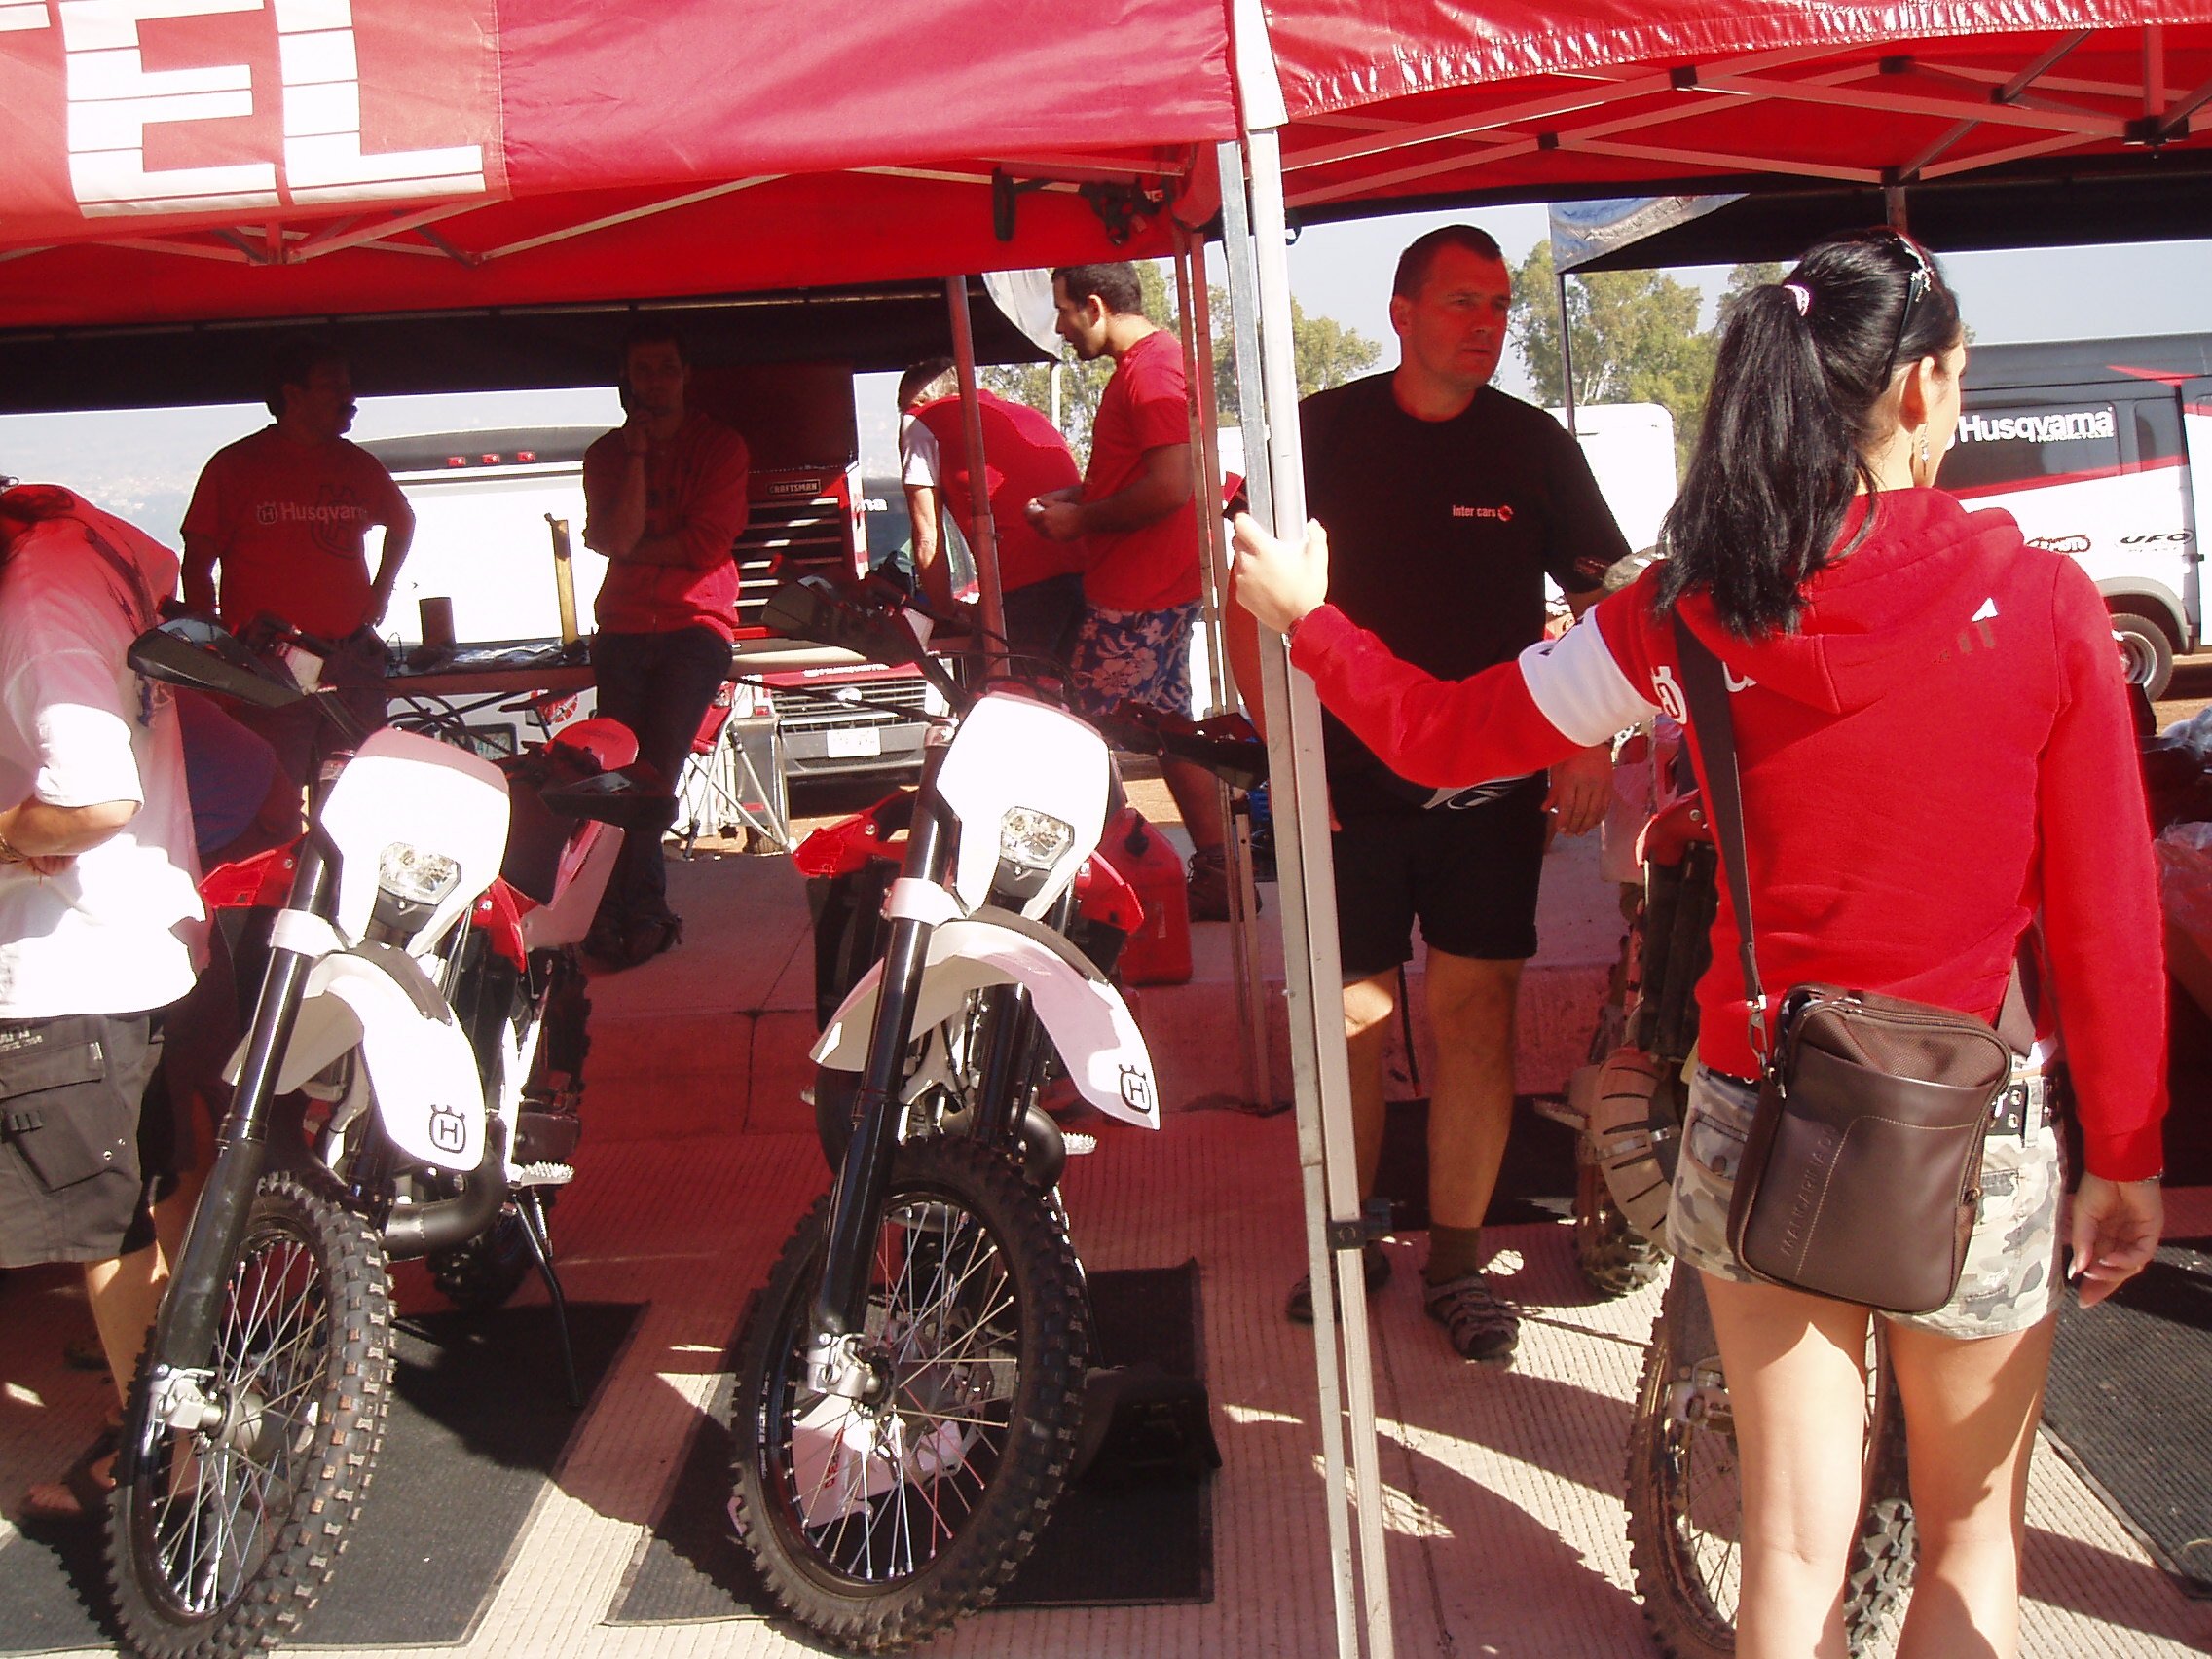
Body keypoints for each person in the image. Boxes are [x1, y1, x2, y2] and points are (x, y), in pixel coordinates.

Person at [1233, 228, 2164, 1659]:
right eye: (1960, 376)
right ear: (1920, 388)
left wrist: (1310, 624)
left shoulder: (1690, 610)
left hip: (1760, 1111)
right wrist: (2130, 1155)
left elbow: (1442, 733)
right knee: (1971, 1542)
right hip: (1972, 1125)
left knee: (1786, 1550)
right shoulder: (2043, 606)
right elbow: (2106, 913)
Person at [1225, 225, 1625, 1363]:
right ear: (1400, 313)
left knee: (1476, 1018)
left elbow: (1606, 601)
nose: (1485, 324)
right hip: (1342, 790)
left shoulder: (1531, 445)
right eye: (1461, 302)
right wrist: (1286, 758)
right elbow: (1241, 595)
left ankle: (1456, 1263)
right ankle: (1348, 1245)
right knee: (1352, 1024)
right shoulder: (1316, 436)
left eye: (1498, 306)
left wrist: (1589, 738)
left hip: (1487, 789)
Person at [0, 483, 204, 1521]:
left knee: (103, 1225)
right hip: (140, 940)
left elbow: (91, 794)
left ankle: (163, 1471)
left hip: (64, 957)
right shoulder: (97, 558)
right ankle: (201, 1411)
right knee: (157, 1188)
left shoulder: (35, 599)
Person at [1028, 263, 1232, 919]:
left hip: (1137, 591)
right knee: (1170, 732)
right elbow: (1156, 477)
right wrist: (1081, 497)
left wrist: (1081, 519)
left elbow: (1171, 486)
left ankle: (1096, 884)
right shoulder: (1156, 364)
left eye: (1064, 312)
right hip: (1154, 585)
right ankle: (1218, 874)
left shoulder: (1150, 371)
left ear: (1094, 306)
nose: (1061, 328)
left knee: (1080, 738)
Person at [580, 318, 751, 969]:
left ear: (686, 376)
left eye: (666, 369)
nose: (654, 382)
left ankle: (634, 910)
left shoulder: (720, 447)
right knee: (619, 778)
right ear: (625, 379)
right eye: (642, 370)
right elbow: (614, 537)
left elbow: (705, 545)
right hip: (624, 628)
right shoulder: (607, 454)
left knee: (655, 774)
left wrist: (630, 547)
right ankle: (625, 911)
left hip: (693, 629)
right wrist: (638, 457)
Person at [181, 335, 411, 786]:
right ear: (293, 394)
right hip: (268, 663)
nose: (348, 398)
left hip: (349, 657)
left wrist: (381, 591)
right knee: (273, 787)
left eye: (348, 387)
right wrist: (214, 650)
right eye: (332, 386)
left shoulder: (358, 464)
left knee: (356, 785)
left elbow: (403, 523)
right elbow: (197, 564)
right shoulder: (237, 466)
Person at [896, 360, 1088, 667]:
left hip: (1023, 585)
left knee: (995, 689)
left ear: (917, 402)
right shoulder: (1027, 415)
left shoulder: (920, 419)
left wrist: (945, 612)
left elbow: (927, 538)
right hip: (1086, 577)